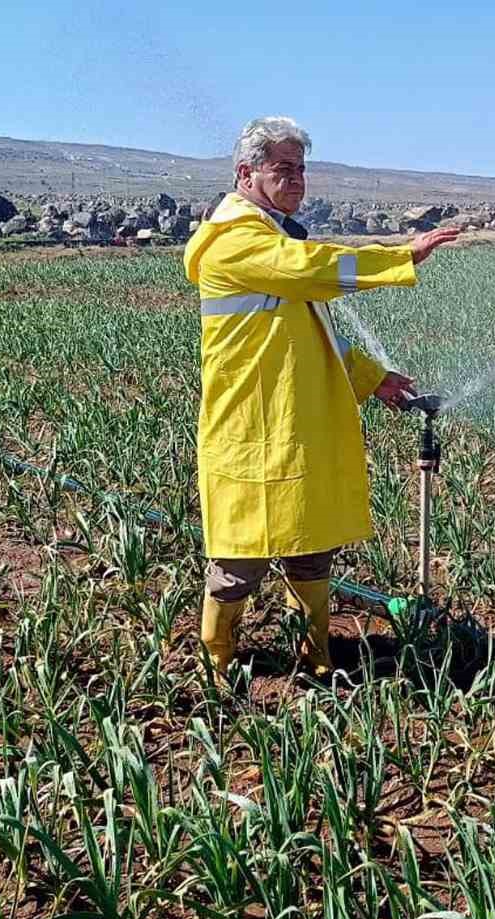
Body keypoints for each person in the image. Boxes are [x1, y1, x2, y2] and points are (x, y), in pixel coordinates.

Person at [185, 116, 459, 678]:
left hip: (299, 421)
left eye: (301, 168)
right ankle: (217, 659)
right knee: (241, 557)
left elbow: (313, 328)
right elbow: (311, 271)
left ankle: (316, 654)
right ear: (246, 173)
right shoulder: (235, 241)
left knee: (312, 544)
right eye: (282, 168)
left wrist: (370, 377)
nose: (296, 178)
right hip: (253, 425)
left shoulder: (276, 234)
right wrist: (399, 256)